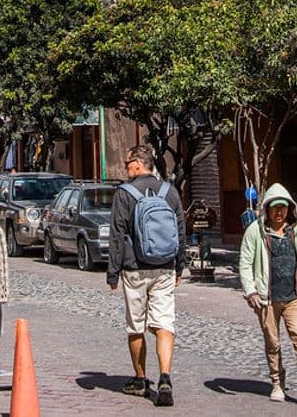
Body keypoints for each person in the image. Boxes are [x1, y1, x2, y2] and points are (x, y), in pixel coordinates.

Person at [107, 145, 186, 407]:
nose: (126, 168)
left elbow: (117, 234)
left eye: (128, 163)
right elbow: (180, 231)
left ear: (139, 164)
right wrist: (179, 266)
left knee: (136, 325)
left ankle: (140, 379)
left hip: (134, 268)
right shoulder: (170, 192)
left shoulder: (124, 193)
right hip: (165, 266)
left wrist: (113, 272)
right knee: (165, 323)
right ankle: (165, 377)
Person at [238, 183, 297, 407]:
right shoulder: (255, 231)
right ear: (267, 209)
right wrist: (250, 291)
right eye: (275, 207)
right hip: (266, 299)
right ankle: (277, 383)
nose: (279, 212)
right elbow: (245, 263)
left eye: (284, 207)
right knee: (273, 343)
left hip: (294, 297)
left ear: (290, 209)